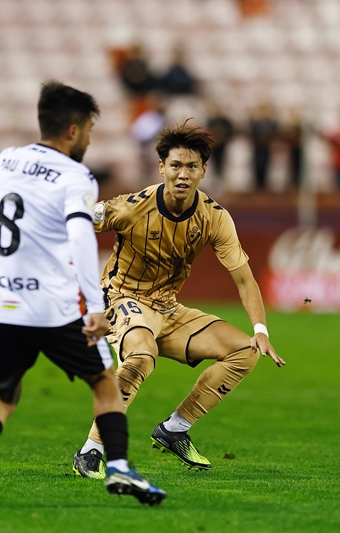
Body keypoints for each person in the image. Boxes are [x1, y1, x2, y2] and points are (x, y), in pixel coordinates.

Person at [0, 81, 166, 507]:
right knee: (104, 382)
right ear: (72, 130)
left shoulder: (6, 160)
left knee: (2, 396)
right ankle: (120, 469)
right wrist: (97, 306)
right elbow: (81, 237)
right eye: (89, 130)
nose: (89, 139)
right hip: (52, 308)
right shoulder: (75, 176)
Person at [71, 122, 285, 480]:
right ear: (161, 168)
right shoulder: (130, 208)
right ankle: (91, 451)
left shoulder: (214, 217)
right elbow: (77, 222)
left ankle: (175, 428)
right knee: (140, 357)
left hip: (168, 307)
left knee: (245, 351)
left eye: (191, 167)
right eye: (175, 166)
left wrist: (260, 330)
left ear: (203, 170)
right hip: (124, 297)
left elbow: (245, 280)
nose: (182, 174)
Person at [249, 102, 278, 190]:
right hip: (258, 147)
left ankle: (264, 183)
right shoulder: (255, 123)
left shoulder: (270, 122)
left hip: (266, 147)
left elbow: (273, 132)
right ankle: (258, 183)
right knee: (257, 164)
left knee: (266, 164)